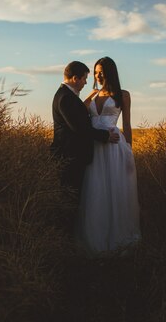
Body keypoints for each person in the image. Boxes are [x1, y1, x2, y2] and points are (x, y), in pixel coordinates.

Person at [76, 56, 141, 254]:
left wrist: (129, 151)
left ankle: (118, 236)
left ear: (110, 72)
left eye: (101, 71)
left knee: (116, 189)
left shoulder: (123, 94)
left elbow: (127, 125)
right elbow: (81, 114)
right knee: (96, 189)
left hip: (114, 147)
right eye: (96, 72)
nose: (98, 75)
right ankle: (95, 237)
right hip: (95, 145)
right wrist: (88, 97)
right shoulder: (93, 96)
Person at [50, 61, 120, 224]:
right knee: (70, 200)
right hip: (69, 157)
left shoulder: (66, 96)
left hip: (72, 156)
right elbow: (80, 128)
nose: (86, 82)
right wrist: (105, 136)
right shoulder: (66, 98)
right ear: (75, 78)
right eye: (85, 78)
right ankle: (65, 237)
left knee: (73, 199)